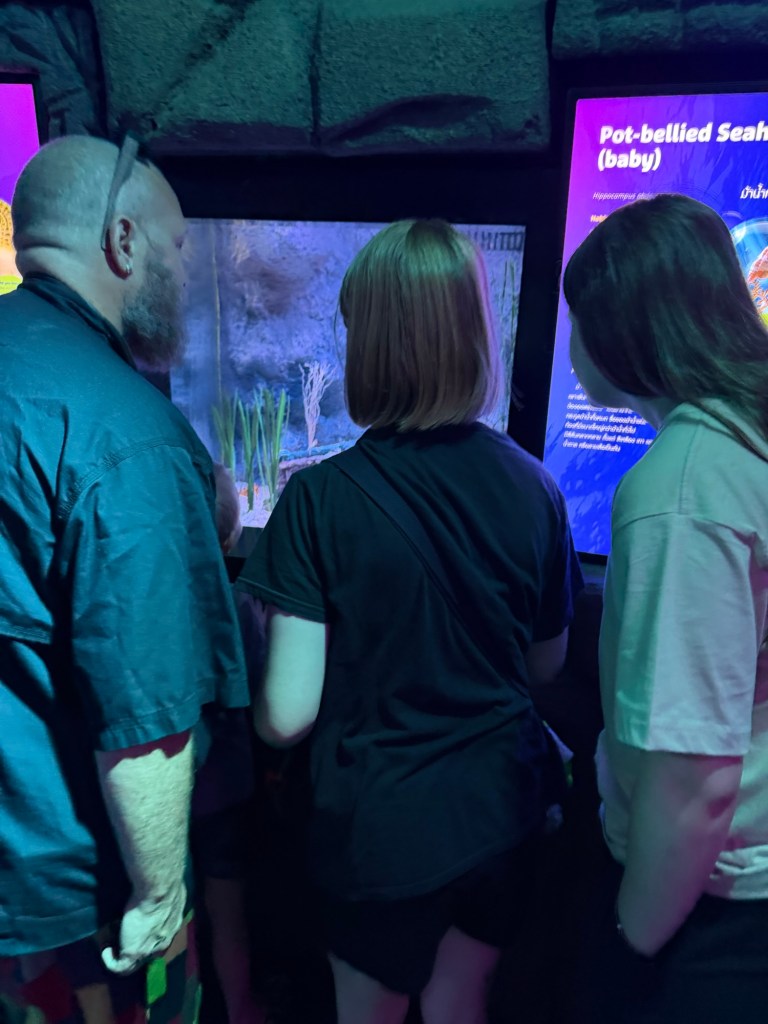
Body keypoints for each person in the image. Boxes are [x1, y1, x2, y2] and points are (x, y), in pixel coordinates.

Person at [237, 219, 583, 1024]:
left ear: (371, 345)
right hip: (501, 815)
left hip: (379, 833)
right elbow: (545, 664)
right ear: (475, 334)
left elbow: (287, 716)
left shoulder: (321, 500)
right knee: (462, 1002)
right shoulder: (535, 487)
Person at [0, 135, 249, 1022]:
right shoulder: (119, 430)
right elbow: (144, 712)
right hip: (70, 908)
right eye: (180, 246)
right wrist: (157, 901)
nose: (186, 268)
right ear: (122, 241)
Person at [562, 193, 768, 1023]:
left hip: (709, 913)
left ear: (622, 330)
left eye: (580, 319)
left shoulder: (682, 487)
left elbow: (693, 784)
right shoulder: (746, 440)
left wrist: (631, 940)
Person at [191, 463, 266, 1024]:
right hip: (226, 789)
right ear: (232, 535)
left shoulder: (155, 605)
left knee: (181, 915)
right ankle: (241, 1010)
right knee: (231, 912)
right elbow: (261, 689)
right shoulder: (239, 606)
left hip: (169, 797)